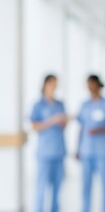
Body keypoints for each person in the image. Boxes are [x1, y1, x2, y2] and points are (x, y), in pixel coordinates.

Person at [77, 75, 105, 212]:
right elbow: (82, 127)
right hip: (86, 151)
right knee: (85, 186)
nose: (89, 88)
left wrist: (99, 130)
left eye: (91, 84)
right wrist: (77, 148)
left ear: (97, 84)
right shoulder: (85, 105)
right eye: (87, 85)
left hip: (102, 152)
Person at [30, 74, 67, 212]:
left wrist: (63, 122)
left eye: (56, 84)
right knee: (41, 187)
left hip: (59, 151)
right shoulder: (38, 105)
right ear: (45, 85)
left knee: (57, 188)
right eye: (52, 84)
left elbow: (64, 126)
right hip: (44, 153)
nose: (54, 87)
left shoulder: (60, 104)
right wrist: (52, 120)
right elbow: (35, 127)